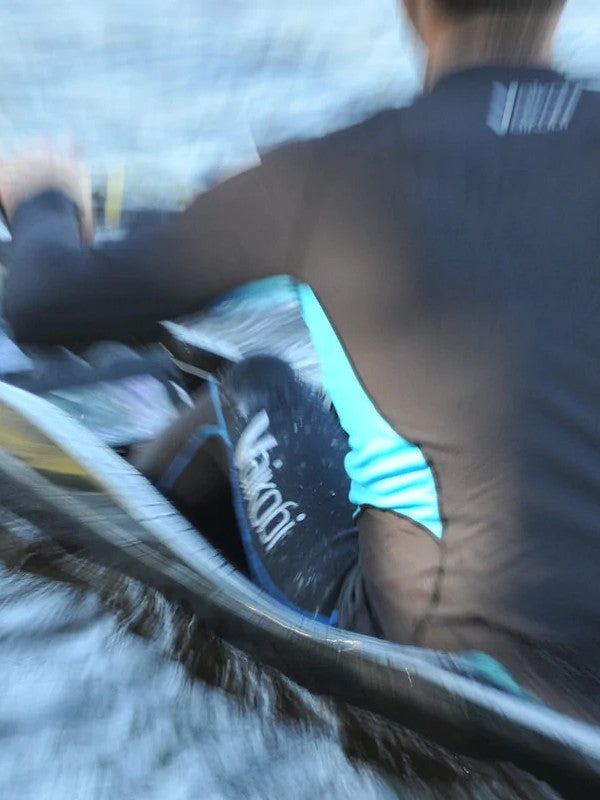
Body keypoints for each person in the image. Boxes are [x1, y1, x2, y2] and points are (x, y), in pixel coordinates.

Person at [1, 0, 597, 709]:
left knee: (252, 386)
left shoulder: (332, 173)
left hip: (443, 636)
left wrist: (43, 200)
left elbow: (45, 304)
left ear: (414, 7)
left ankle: (126, 535)